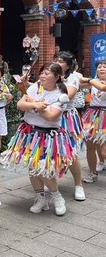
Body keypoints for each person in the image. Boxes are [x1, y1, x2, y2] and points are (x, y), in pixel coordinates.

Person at [3, 63, 72, 216]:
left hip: (48, 136)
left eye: (47, 73)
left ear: (57, 76)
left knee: (45, 169)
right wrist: (36, 104)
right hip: (29, 133)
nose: (42, 75)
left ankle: (57, 196)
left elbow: (52, 116)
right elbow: (21, 104)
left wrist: (34, 105)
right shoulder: (35, 87)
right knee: (33, 169)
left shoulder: (61, 94)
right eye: (42, 72)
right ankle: (41, 198)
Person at [54, 51, 86, 201]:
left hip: (66, 119)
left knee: (71, 153)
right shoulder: (51, 74)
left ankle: (79, 185)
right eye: (56, 60)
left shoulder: (73, 77)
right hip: (51, 116)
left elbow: (69, 95)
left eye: (61, 61)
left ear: (68, 65)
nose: (57, 63)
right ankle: (51, 184)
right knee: (52, 151)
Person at [80, 60, 106, 183]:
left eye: (105, 67)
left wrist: (89, 80)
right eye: (99, 67)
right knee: (90, 146)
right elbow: (76, 84)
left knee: (104, 151)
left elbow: (103, 88)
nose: (102, 69)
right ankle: (92, 173)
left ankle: (101, 162)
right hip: (92, 115)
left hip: (105, 116)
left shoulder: (94, 82)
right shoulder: (93, 83)